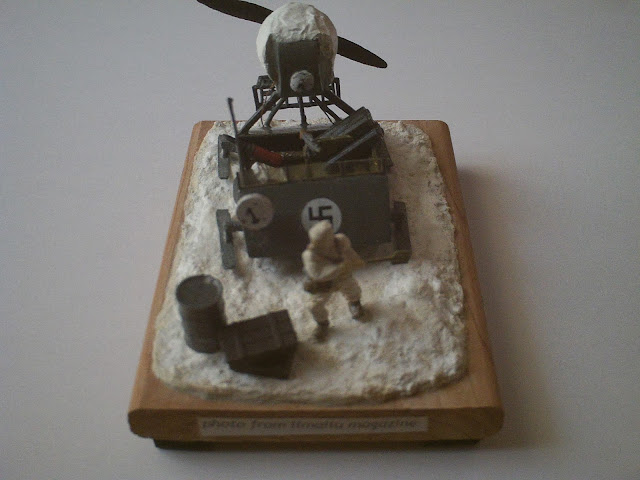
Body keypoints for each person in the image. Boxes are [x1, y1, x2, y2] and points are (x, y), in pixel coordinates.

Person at [302, 221, 366, 340]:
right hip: (324, 284)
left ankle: (355, 304)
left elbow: (349, 252)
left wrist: (356, 261)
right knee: (314, 306)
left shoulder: (341, 241)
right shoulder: (310, 255)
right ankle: (322, 324)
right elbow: (318, 274)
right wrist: (338, 268)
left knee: (353, 290)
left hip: (343, 276)